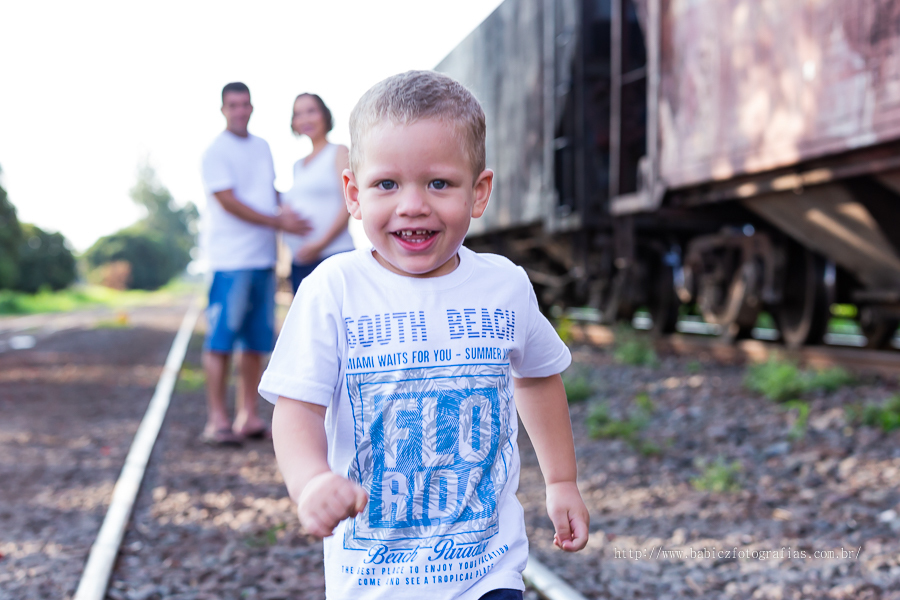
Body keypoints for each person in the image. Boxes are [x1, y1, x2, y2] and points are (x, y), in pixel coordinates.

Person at [259, 71, 589, 599]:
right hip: (374, 581)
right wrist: (312, 482)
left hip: (487, 573)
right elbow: (296, 407)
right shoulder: (334, 289)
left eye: (438, 183)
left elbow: (537, 377)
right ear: (354, 193)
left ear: (479, 192)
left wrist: (561, 480)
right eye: (387, 184)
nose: (413, 204)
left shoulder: (503, 284)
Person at [200, 81, 309, 446]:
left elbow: (266, 191)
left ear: (251, 107)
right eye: (233, 105)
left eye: (245, 104)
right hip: (230, 260)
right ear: (222, 109)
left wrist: (291, 204)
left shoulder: (262, 147)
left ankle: (248, 416)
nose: (240, 110)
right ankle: (217, 419)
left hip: (263, 259)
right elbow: (229, 200)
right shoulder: (215, 151)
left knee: (256, 343)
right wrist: (279, 222)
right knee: (221, 341)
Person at [282, 93, 355, 294]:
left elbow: (349, 203)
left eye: (311, 111)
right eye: (298, 114)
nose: (305, 119)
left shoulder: (339, 152)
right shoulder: (298, 165)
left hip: (333, 254)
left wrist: (319, 244)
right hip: (300, 261)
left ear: (324, 114)